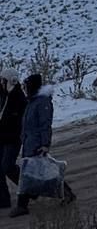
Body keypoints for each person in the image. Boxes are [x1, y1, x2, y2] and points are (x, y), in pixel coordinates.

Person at [9, 74, 74, 217]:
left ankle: (22, 205)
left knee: (31, 172)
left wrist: (45, 144)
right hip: (29, 142)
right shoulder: (32, 102)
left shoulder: (42, 102)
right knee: (40, 172)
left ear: (32, 87)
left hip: (37, 143)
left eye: (26, 86)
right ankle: (67, 193)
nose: (25, 89)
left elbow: (45, 125)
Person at [0, 70, 24, 212]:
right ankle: (3, 200)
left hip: (12, 139)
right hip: (2, 137)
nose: (1, 83)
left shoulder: (18, 97)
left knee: (7, 167)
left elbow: (17, 121)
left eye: (3, 81)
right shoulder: (4, 95)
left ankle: (28, 189)